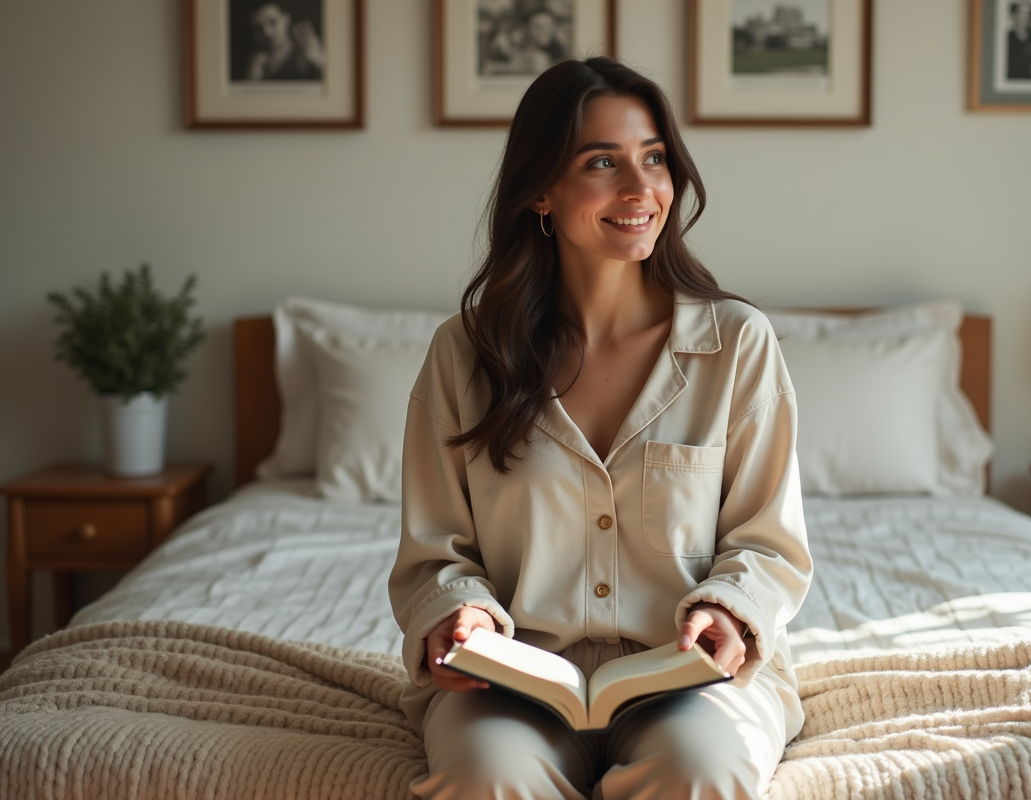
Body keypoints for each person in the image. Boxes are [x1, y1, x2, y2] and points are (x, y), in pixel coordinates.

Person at [389, 56, 812, 800]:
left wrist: (728, 610)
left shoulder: (737, 344)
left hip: (692, 679)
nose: (640, 189)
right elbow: (436, 551)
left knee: (700, 769)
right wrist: (461, 619)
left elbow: (768, 542)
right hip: (513, 681)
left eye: (654, 158)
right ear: (542, 192)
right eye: (601, 162)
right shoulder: (464, 355)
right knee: (487, 776)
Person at [243, 2, 324, 82]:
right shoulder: (254, 61)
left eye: (272, 22)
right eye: (258, 29)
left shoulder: (307, 51)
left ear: (286, 19)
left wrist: (319, 61)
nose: (267, 32)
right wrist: (251, 80)